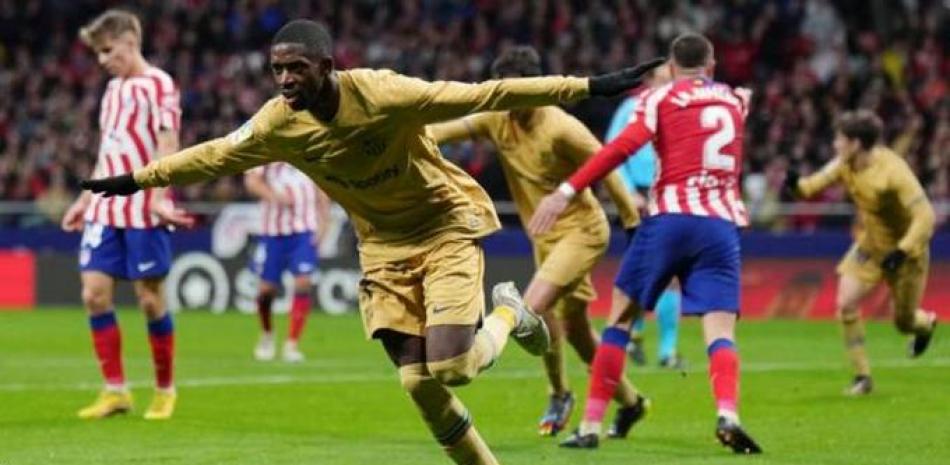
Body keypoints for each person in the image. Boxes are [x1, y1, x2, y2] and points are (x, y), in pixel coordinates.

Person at [80, 19, 663, 464]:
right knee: (418, 383)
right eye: (277, 70)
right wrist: (137, 180)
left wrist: (586, 86)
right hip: (383, 247)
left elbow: (483, 93)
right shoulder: (278, 122)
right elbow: (215, 155)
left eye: (296, 69)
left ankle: (509, 312)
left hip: (443, 226)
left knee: (455, 367)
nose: (285, 80)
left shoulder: (383, 93)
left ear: (326, 66)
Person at [530, 33, 761, 453]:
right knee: (720, 331)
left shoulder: (658, 99)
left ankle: (590, 426)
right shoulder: (733, 101)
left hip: (670, 218)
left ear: (671, 68)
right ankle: (728, 414)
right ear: (710, 66)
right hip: (721, 227)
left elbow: (620, 149)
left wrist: (566, 191)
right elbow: (742, 99)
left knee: (620, 320)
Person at [427, 46, 650, 438]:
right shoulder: (498, 118)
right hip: (544, 236)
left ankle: (559, 392)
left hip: (582, 231)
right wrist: (399, 136)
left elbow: (608, 164)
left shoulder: (562, 128)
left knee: (528, 307)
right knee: (577, 331)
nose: (511, 104)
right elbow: (446, 129)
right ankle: (632, 403)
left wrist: (633, 225)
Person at [60, 9, 193, 420]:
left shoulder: (160, 85)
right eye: (98, 53)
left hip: (143, 207)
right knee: (93, 294)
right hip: (105, 206)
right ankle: (115, 391)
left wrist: (157, 196)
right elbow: (109, 149)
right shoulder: (112, 90)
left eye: (107, 50)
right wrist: (84, 199)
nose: (101, 60)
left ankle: (165, 390)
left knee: (150, 301)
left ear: (130, 42)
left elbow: (167, 142)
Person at [783, 110, 938, 396]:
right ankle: (862, 377)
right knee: (846, 304)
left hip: (906, 254)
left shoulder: (893, 172)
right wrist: (795, 184)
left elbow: (926, 216)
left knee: (904, 323)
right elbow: (810, 187)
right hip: (870, 246)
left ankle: (925, 325)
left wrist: (903, 250)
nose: (835, 144)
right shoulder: (844, 163)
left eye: (839, 139)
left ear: (855, 143)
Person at [604, 65, 684, 369]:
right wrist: (629, 194)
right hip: (638, 197)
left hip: (667, 194)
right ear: (649, 81)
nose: (668, 85)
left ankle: (667, 351)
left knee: (672, 274)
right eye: (663, 79)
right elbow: (613, 153)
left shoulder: (679, 108)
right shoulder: (630, 109)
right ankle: (634, 332)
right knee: (641, 271)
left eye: (671, 80)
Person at [244, 162, 331, 362]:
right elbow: (251, 181)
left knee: (303, 282)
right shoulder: (267, 151)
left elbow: (321, 185)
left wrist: (325, 221)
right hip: (273, 233)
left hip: (304, 231)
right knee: (266, 290)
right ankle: (267, 334)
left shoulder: (308, 152)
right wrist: (275, 197)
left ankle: (292, 344)